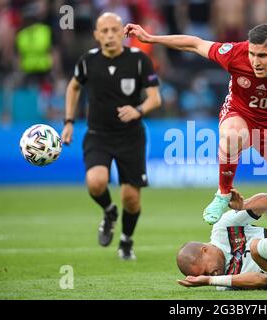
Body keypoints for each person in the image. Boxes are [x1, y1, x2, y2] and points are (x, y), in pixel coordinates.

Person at [124, 22, 267, 226]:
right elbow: (195, 43)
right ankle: (223, 193)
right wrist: (151, 38)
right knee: (232, 134)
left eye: (262, 55)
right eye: (252, 54)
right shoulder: (235, 53)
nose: (255, 61)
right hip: (240, 115)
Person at [61, 13, 162, 260]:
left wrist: (137, 110)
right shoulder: (87, 61)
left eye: (114, 30)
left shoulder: (139, 60)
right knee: (95, 182)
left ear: (123, 33)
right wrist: (69, 122)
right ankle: (108, 211)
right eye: (103, 30)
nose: (109, 35)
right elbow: (73, 86)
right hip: (98, 135)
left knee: (131, 198)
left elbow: (155, 98)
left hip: (131, 137)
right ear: (96, 35)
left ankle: (126, 241)